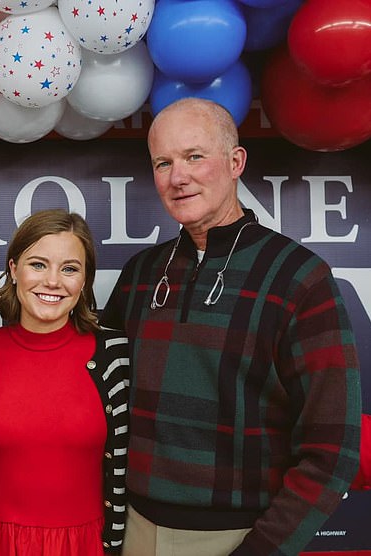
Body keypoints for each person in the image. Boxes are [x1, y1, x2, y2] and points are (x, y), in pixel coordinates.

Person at [100, 97, 362, 556]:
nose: (178, 177)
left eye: (194, 156)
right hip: (132, 530)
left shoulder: (299, 277)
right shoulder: (140, 274)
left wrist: (262, 549)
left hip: (239, 536)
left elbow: (332, 449)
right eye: (163, 162)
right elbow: (95, 399)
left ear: (235, 161)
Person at [0, 209, 129, 555]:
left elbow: (122, 470)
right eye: (38, 264)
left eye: (70, 269)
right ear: (14, 269)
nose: (53, 281)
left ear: (85, 280)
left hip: (86, 544)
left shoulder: (114, 357)